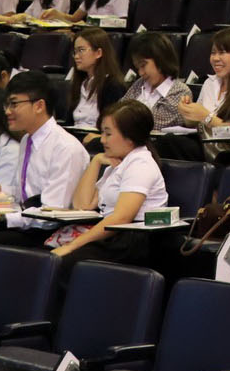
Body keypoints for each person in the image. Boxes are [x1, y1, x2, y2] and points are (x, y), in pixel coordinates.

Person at [0, 71, 91, 247]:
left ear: (39, 106)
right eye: (6, 105)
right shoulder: (27, 139)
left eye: (14, 104)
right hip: (29, 220)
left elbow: (51, 214)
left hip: (51, 230)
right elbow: (26, 194)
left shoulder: (66, 148)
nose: (7, 111)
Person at [45, 100, 169, 269]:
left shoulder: (141, 164)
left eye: (108, 134)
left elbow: (121, 218)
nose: (102, 140)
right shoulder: (118, 163)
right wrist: (96, 161)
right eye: (102, 133)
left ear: (130, 137)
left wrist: (72, 245)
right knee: (45, 255)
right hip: (112, 235)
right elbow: (82, 205)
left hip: (131, 242)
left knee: (64, 263)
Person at [123, 32, 192, 129]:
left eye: (143, 65)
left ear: (160, 59)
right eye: (138, 67)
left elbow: (155, 124)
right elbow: (118, 111)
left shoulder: (180, 91)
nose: (141, 73)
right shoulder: (139, 84)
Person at [68, 28, 129, 130]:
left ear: (98, 53)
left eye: (81, 50)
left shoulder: (113, 85)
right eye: (75, 51)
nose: (76, 56)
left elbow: (113, 126)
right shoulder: (79, 84)